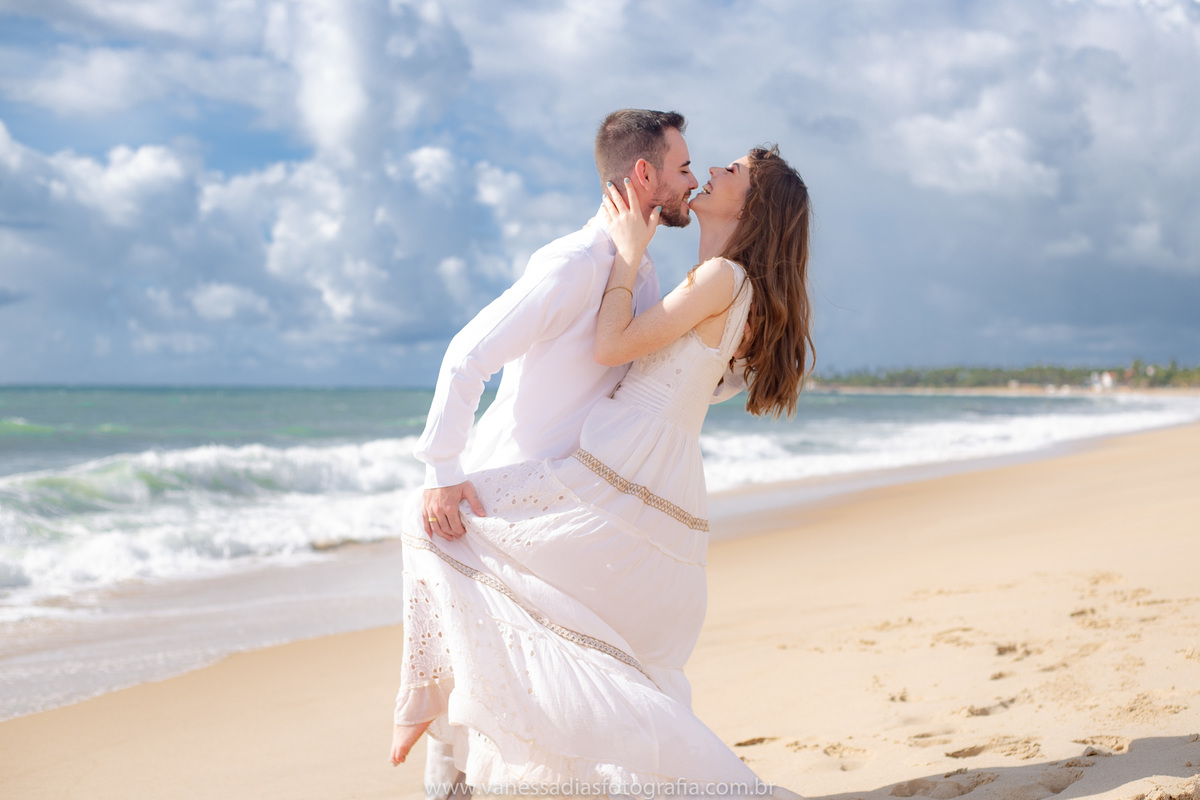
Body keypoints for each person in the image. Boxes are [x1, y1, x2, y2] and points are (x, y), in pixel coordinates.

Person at [390, 137, 813, 794]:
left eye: (733, 172)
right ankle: (454, 755)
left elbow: (613, 346)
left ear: (754, 207)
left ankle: (424, 704)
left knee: (439, 530)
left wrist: (626, 253)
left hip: (620, 472)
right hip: (655, 480)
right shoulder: (739, 291)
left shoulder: (720, 280)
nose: (711, 171)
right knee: (568, 632)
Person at [409, 108, 704, 798]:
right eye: (684, 166)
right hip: (498, 505)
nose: (692, 179)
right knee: (484, 693)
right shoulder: (573, 266)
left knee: (543, 684)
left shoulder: (640, 269)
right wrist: (443, 473)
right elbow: (465, 356)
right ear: (644, 174)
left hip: (565, 507)